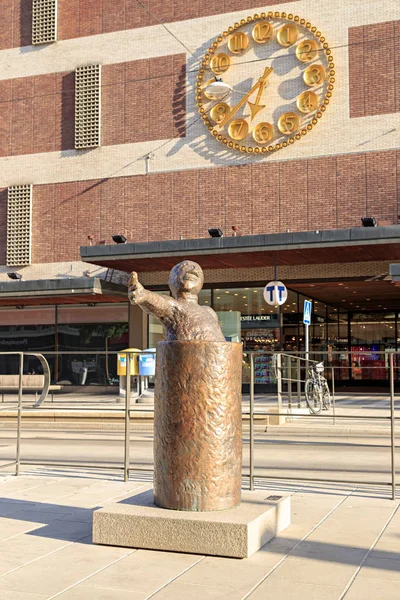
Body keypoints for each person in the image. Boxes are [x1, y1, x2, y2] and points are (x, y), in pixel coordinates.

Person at [128, 260, 225, 342]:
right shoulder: (175, 306)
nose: (193, 269)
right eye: (184, 267)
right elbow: (160, 302)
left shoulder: (209, 311)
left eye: (198, 270)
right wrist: (144, 294)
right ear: (171, 280)